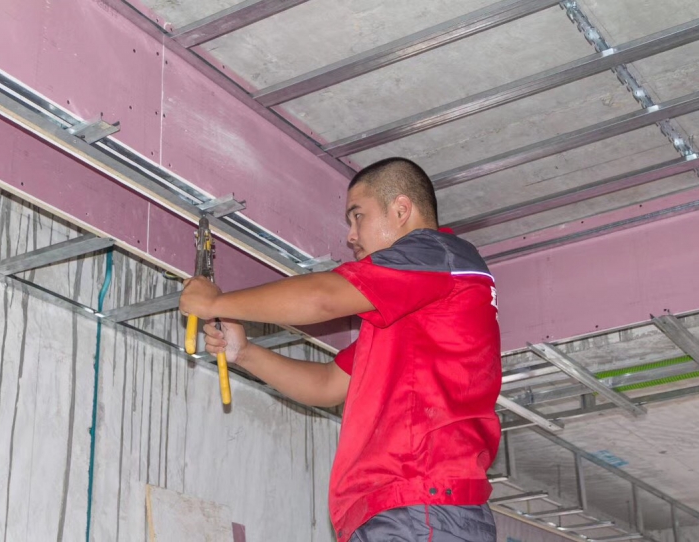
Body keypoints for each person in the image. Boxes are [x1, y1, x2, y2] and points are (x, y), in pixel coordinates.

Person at [180, 157, 502, 542]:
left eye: (358, 216)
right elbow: (329, 384)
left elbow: (324, 298)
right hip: (400, 509)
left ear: (401, 210)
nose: (351, 235)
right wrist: (245, 352)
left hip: (421, 503)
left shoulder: (437, 255)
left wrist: (216, 303)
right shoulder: (408, 314)